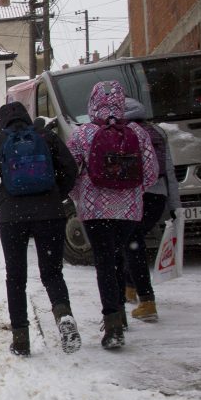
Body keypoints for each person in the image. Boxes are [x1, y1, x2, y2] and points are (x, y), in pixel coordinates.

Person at [0, 102, 81, 356]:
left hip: (13, 219)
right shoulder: (47, 137)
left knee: (15, 278)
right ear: (27, 116)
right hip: (50, 214)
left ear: (3, 121)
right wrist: (56, 196)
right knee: (52, 273)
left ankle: (21, 338)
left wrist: (4, 205)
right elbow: (70, 169)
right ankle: (63, 314)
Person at [65, 81, 159, 349]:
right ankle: (120, 315)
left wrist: (80, 196)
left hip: (94, 210)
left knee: (105, 262)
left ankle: (113, 322)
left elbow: (70, 173)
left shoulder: (83, 134)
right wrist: (132, 193)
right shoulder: (138, 133)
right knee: (119, 256)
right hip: (128, 211)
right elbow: (151, 172)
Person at [119, 96, 181, 322]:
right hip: (159, 197)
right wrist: (175, 205)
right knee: (133, 240)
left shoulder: (125, 132)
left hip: (136, 195)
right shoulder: (157, 131)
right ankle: (129, 287)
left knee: (131, 243)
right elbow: (170, 171)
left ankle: (146, 300)